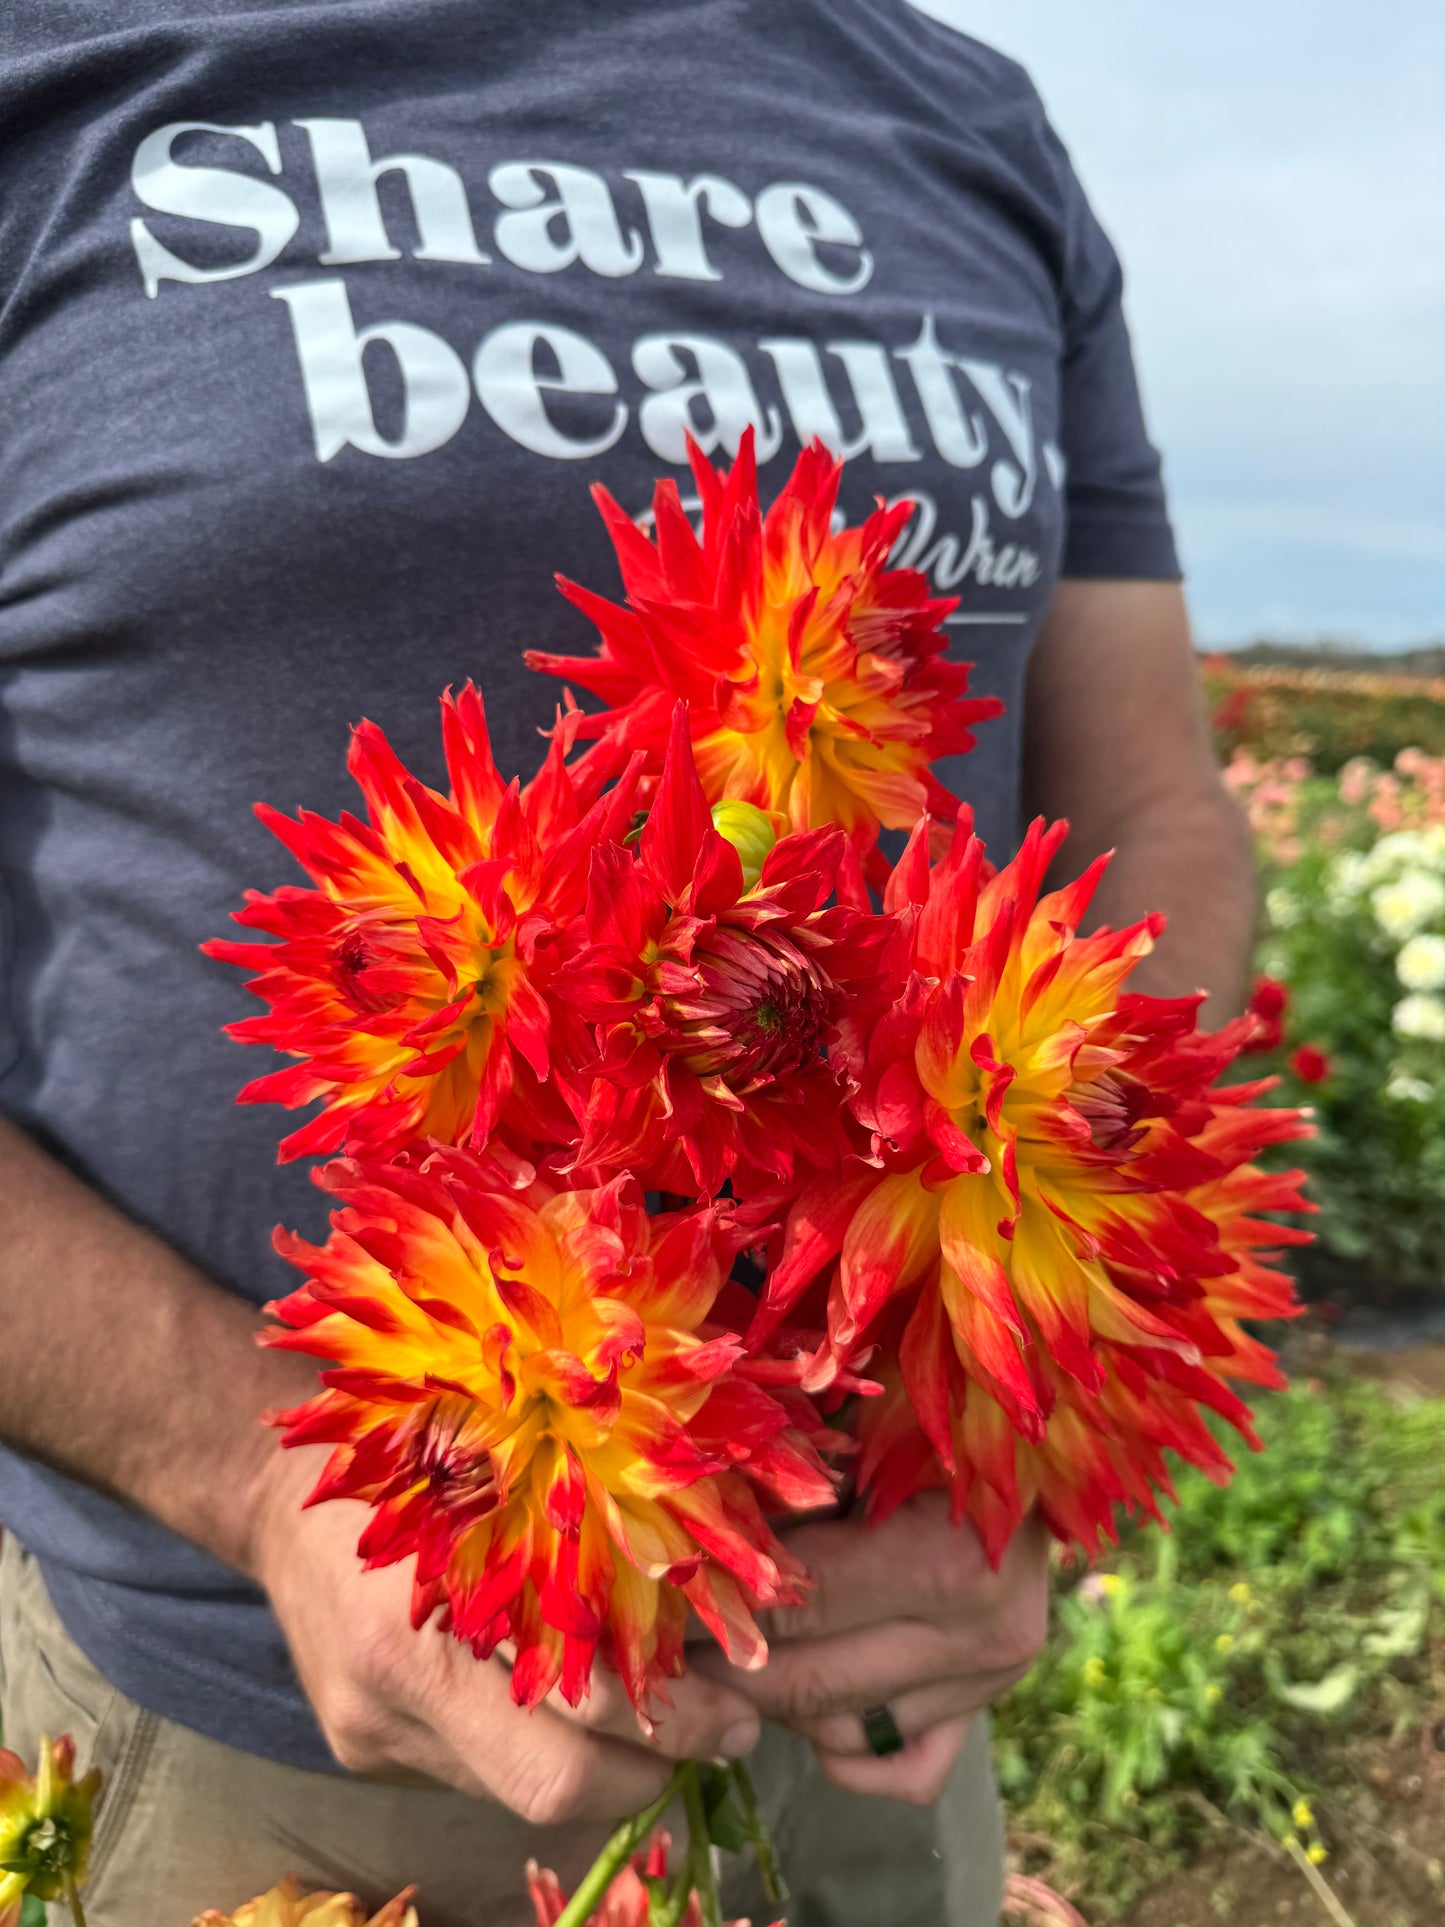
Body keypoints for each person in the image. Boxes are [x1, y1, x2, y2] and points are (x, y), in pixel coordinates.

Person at [0, 2, 1254, 1921]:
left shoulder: (968, 120)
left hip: (872, 1725)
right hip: (297, 1737)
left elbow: (1154, 814)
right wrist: (250, 1476)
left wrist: (1034, 1392)